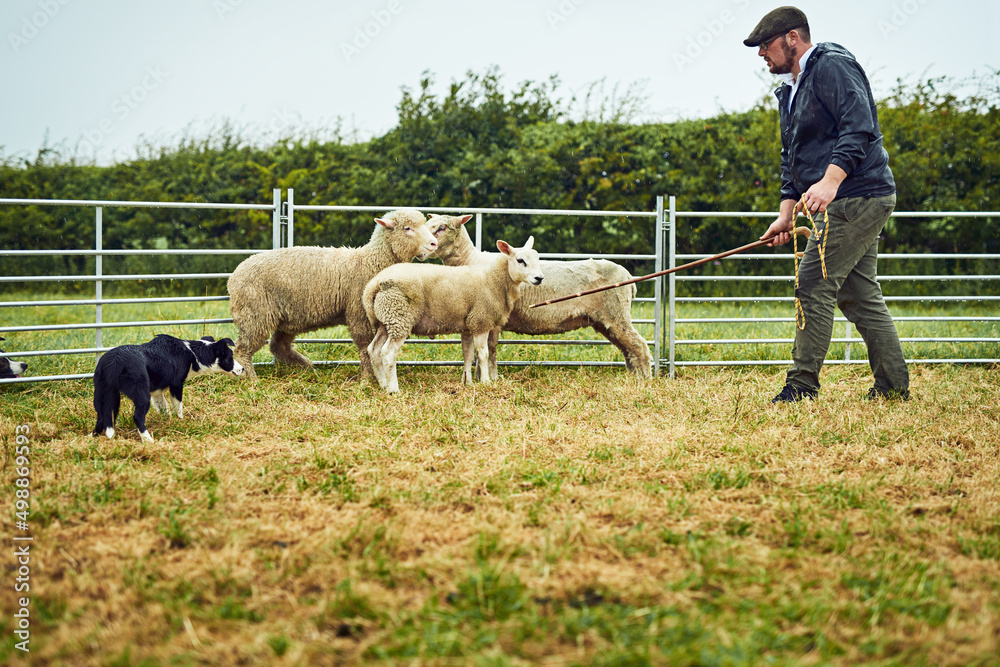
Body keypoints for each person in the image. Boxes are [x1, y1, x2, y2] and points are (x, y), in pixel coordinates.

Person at [744, 6, 910, 403]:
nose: (762, 54)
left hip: (858, 196)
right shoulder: (789, 88)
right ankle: (892, 387)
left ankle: (802, 385)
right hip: (850, 199)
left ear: (792, 39)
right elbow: (792, 155)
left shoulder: (832, 66)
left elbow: (860, 126)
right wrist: (785, 215)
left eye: (766, 45)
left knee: (813, 283)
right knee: (859, 294)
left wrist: (831, 180)